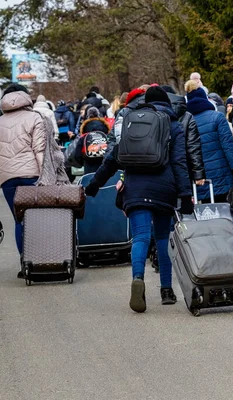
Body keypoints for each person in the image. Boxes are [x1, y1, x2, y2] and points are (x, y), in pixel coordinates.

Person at [84, 86, 192, 312]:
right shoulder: (172, 124)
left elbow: (113, 158)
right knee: (163, 238)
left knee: (141, 236)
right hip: (164, 187)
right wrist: (185, 195)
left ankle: (138, 278)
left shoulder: (132, 122)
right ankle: (166, 290)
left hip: (134, 187)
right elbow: (180, 162)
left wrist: (94, 185)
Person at [0, 84, 47, 275]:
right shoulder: (35, 117)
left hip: (8, 180)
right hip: (33, 176)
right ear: (25, 97)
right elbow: (40, 150)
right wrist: (45, 177)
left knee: (20, 220)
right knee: (36, 219)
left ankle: (25, 263)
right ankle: (41, 260)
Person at [186, 84, 233, 202]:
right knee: (225, 211)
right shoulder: (218, 117)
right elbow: (228, 145)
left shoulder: (187, 121)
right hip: (222, 173)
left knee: (207, 212)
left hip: (201, 177)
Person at [161, 85, 206, 185]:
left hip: (159, 170)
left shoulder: (154, 113)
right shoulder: (187, 116)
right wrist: (198, 174)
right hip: (184, 169)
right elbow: (193, 147)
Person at [73, 107, 112, 174]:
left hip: (89, 165)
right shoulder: (106, 133)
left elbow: (77, 155)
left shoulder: (85, 134)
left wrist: (83, 162)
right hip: (105, 165)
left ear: (88, 116)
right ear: (98, 115)